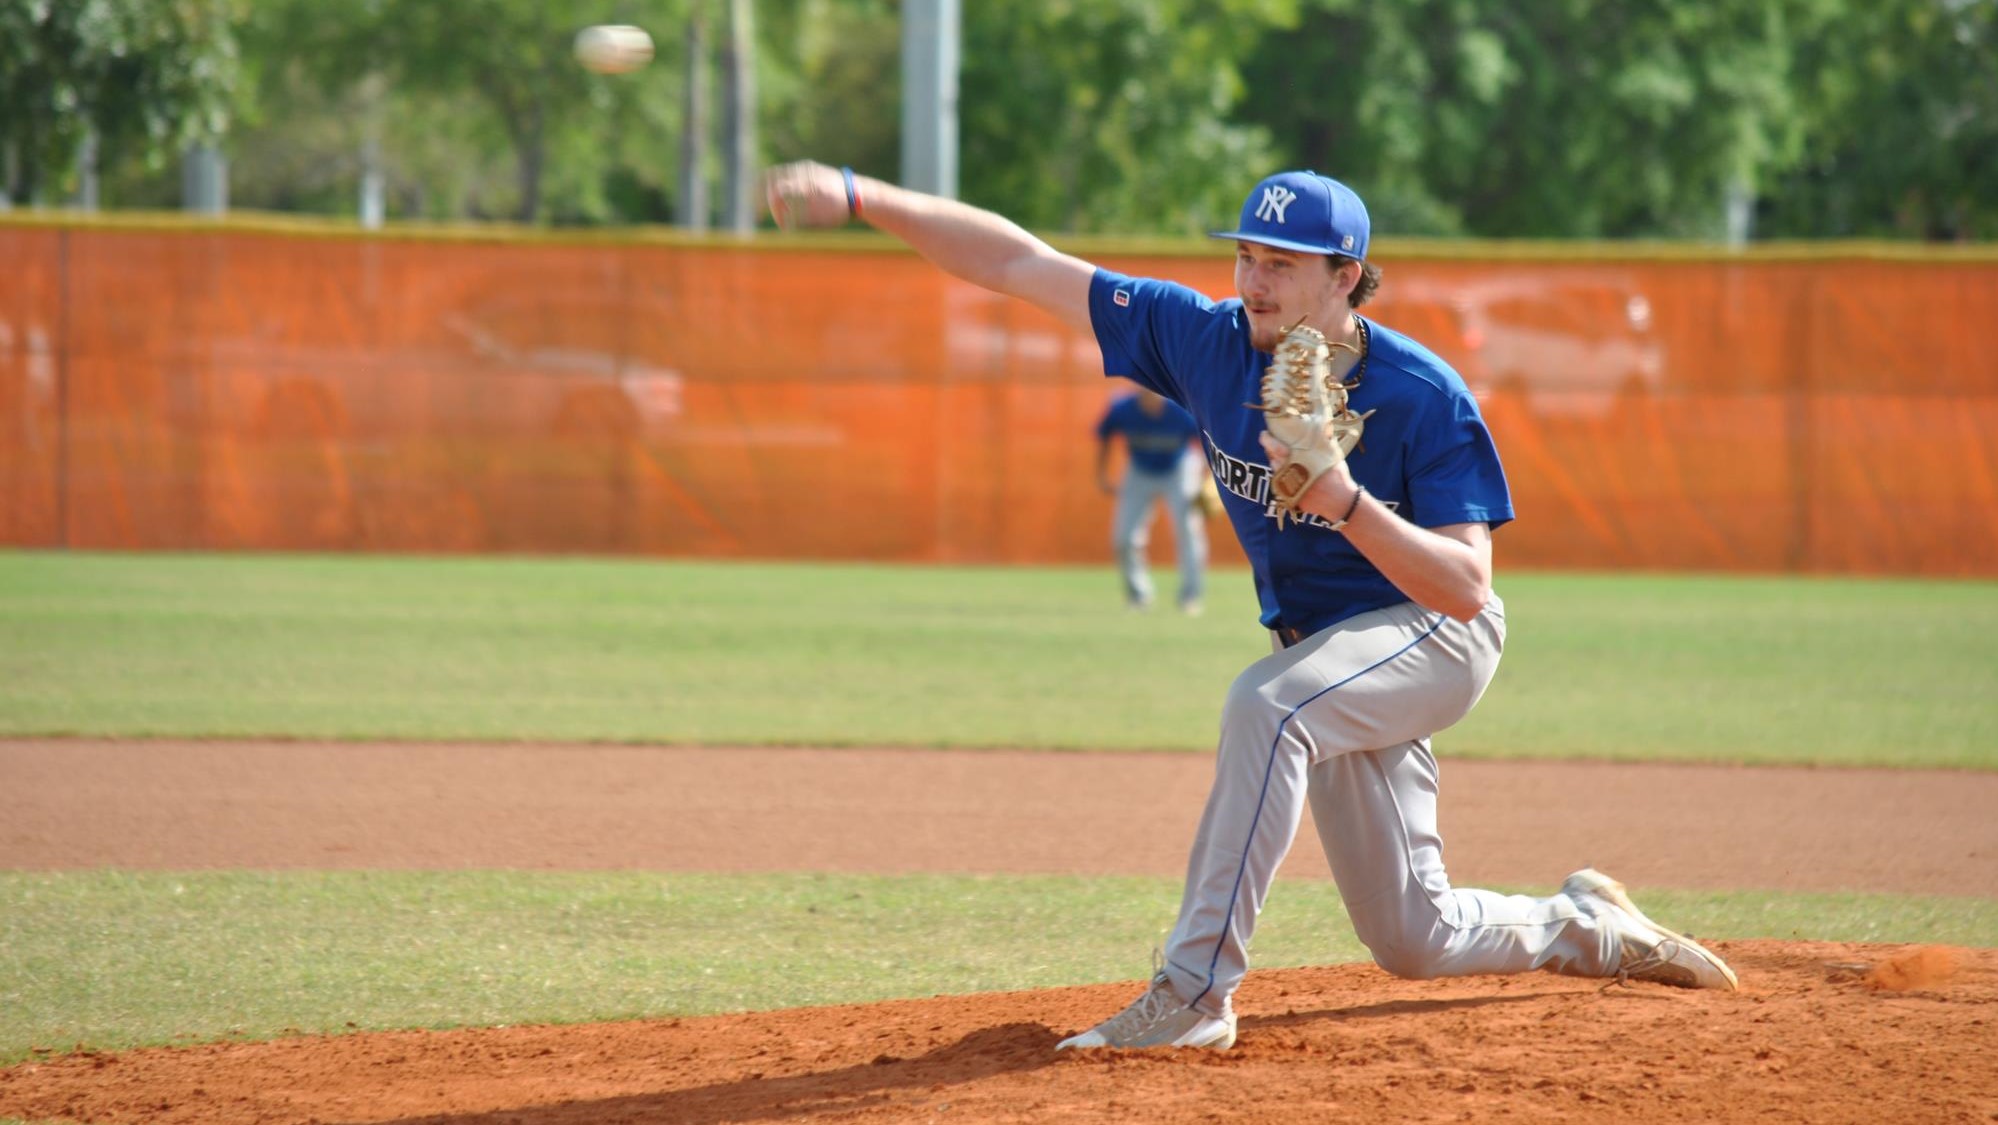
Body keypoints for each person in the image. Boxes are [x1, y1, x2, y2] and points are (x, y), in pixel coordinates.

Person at [762, 162, 1738, 1052]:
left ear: (1345, 277)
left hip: (1435, 632)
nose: (1255, 280)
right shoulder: (1204, 343)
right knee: (1414, 934)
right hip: (1329, 652)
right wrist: (860, 196)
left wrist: (1346, 502)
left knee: (1268, 708)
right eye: (1246, 256)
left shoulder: (1420, 394)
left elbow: (1467, 587)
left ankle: (1193, 995)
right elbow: (1022, 264)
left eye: (1283, 262)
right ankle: (1592, 926)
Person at [1095, 386, 1207, 614]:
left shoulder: (1179, 408)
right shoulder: (1123, 408)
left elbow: (1206, 441)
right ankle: (1139, 595)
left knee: (1188, 530)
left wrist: (1205, 482)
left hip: (1180, 468)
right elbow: (1104, 435)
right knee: (1124, 537)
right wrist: (1102, 474)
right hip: (1140, 470)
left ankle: (1190, 596)